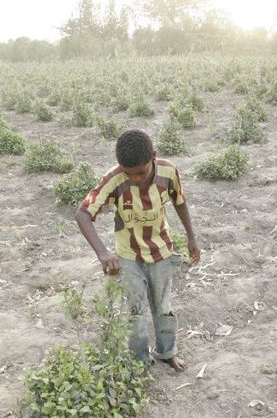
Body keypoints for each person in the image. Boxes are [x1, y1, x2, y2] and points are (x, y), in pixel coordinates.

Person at [75, 129, 200, 372]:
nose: (136, 179)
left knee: (163, 307)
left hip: (161, 250)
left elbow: (180, 201)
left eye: (141, 173)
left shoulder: (168, 171)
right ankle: (140, 360)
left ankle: (167, 352)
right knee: (135, 310)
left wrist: (191, 237)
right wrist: (102, 252)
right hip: (128, 255)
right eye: (128, 174)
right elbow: (83, 213)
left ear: (153, 156)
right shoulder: (114, 180)